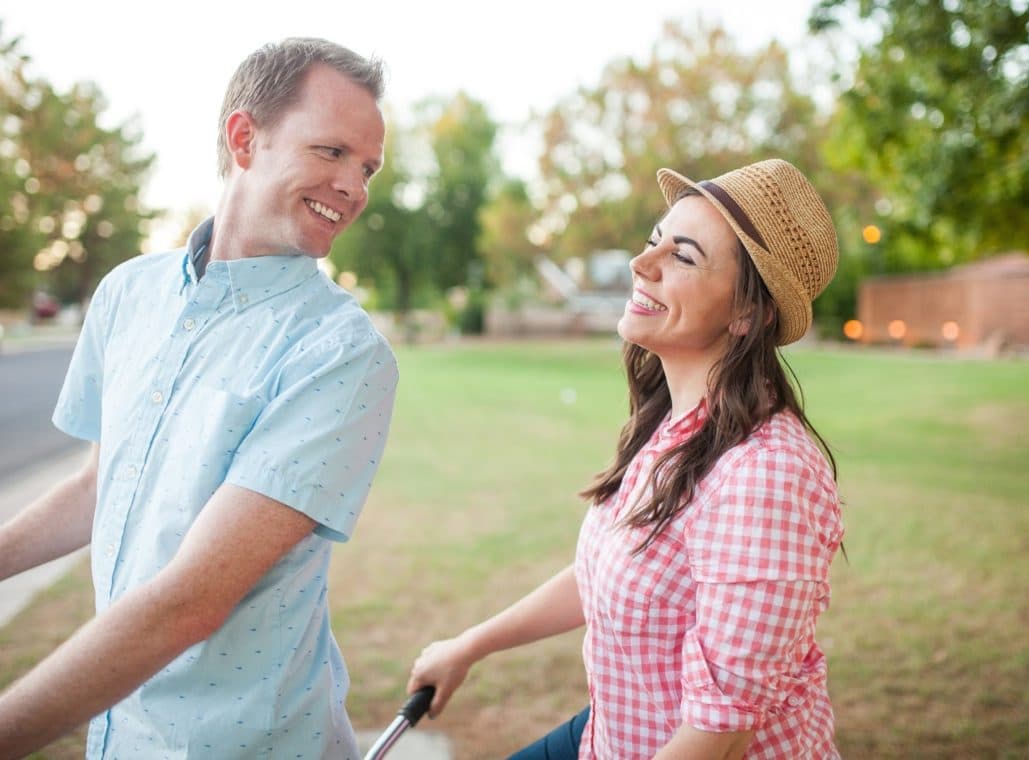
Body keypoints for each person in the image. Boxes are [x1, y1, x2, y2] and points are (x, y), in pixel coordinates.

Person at [0, 38, 397, 759]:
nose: (355, 186)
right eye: (332, 151)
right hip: (119, 739)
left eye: (367, 167)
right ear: (245, 139)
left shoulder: (342, 353)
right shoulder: (128, 292)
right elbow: (99, 485)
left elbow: (190, 601)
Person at [408, 158, 845, 759]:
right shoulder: (678, 425)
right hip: (608, 738)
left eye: (683, 256)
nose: (642, 265)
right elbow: (612, 575)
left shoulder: (765, 474)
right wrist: (469, 645)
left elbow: (716, 735)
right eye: (652, 241)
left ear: (748, 313)